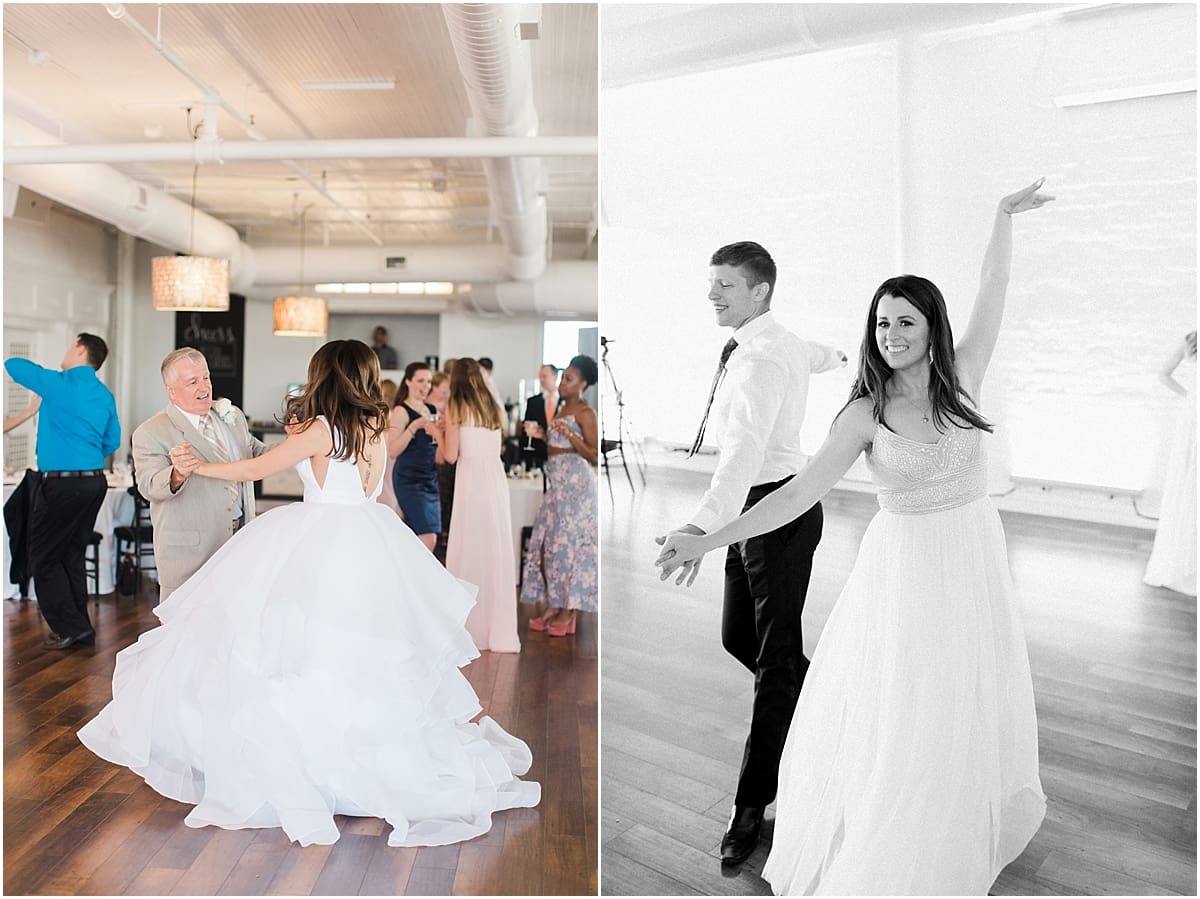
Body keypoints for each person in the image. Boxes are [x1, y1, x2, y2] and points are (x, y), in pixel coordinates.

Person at [657, 180, 1054, 894]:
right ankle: (892, 811)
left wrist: (999, 215)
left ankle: (956, 799)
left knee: (961, 684)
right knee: (907, 691)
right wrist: (707, 536)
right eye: (881, 324)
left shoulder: (964, 375)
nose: (891, 335)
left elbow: (995, 283)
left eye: (904, 322)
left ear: (931, 325)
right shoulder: (864, 413)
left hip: (970, 551)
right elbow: (796, 495)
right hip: (902, 564)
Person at [78, 339, 540, 847]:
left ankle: (312, 765)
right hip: (369, 541)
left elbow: (256, 468)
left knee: (298, 652)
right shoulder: (373, 427)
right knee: (360, 653)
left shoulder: (323, 429)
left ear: (326, 376)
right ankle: (364, 755)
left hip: (320, 540)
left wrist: (201, 467)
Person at [657, 240, 847, 865]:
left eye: (726, 287)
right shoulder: (778, 342)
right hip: (758, 514)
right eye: (712, 283)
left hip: (778, 513)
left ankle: (749, 806)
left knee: (772, 665)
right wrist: (841, 354)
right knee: (741, 638)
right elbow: (819, 354)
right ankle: (839, 701)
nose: (712, 295)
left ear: (760, 291)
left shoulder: (759, 362)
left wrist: (700, 527)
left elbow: (740, 456)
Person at [4, 334, 120, 649]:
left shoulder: (57, 383)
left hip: (61, 484)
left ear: (80, 349)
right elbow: (113, 441)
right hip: (94, 482)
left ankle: (71, 627)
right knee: (71, 554)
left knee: (42, 556)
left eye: (70, 345)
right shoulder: (103, 394)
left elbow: (13, 364)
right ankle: (79, 626)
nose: (66, 351)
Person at [133, 348, 265, 602]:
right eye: (192, 382)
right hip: (189, 554)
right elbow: (148, 486)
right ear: (171, 391)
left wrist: (302, 442)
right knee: (184, 635)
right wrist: (177, 474)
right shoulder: (150, 431)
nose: (204, 387)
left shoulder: (232, 417)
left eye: (205, 378)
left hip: (239, 542)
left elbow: (258, 452)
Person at [443, 358, 520, 653]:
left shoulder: (455, 406)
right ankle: (495, 627)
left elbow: (450, 455)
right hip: (494, 480)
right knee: (495, 550)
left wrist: (438, 432)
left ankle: (469, 627)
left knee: (468, 548)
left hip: (471, 480)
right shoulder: (491, 405)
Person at [521, 356, 598, 636]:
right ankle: (555, 602)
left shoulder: (586, 412)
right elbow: (557, 447)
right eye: (563, 377)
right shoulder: (564, 407)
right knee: (550, 547)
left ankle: (570, 610)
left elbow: (593, 454)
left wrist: (570, 434)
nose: (563, 383)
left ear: (584, 383)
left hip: (577, 489)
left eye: (569, 379)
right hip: (557, 487)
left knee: (571, 549)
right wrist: (543, 435)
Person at [1144, 330, 1196, 595]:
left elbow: (1164, 374)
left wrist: (1192, 396)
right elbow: (1163, 373)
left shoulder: (1192, 337)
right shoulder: (1192, 337)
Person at [387, 361, 442, 551]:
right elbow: (393, 451)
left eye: (429, 381)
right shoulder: (401, 411)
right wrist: (414, 427)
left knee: (419, 535)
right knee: (428, 538)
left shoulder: (433, 410)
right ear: (408, 382)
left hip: (430, 478)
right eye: (421, 381)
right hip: (409, 479)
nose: (426, 386)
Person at [522, 363, 560, 471]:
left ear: (555, 376)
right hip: (539, 454)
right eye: (540, 377)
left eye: (545, 376)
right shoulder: (533, 401)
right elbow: (527, 425)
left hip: (561, 452)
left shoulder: (565, 401)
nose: (542, 380)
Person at [376, 379, 401, 515]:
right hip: (391, 444)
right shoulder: (397, 413)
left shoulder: (375, 413)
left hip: (380, 444)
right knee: (391, 480)